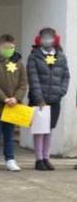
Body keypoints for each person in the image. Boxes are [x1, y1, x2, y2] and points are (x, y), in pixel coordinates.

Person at [0, 34, 27, 172]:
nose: (9, 49)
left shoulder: (19, 63)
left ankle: (10, 159)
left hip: (13, 106)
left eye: (11, 47)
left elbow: (23, 84)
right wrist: (4, 98)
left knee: (9, 134)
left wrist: (16, 98)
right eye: (5, 47)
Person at [27, 27, 70, 170]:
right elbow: (33, 79)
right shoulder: (34, 56)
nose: (47, 40)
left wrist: (61, 92)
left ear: (55, 39)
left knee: (49, 129)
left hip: (55, 99)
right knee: (39, 129)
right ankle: (39, 159)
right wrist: (39, 98)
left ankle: (46, 157)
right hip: (39, 99)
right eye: (44, 37)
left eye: (50, 37)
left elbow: (66, 76)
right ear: (39, 39)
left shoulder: (60, 56)